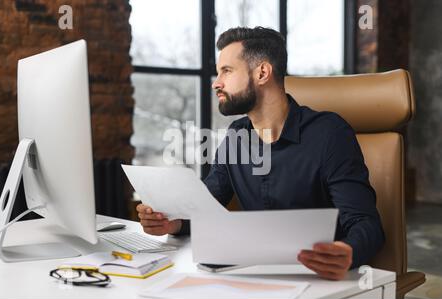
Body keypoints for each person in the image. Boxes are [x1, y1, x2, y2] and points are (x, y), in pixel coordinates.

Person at [136, 27, 385, 281]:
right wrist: (173, 223)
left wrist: (348, 251)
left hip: (320, 280)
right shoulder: (236, 135)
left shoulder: (329, 133)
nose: (216, 83)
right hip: (257, 277)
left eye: (227, 71)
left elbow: (366, 223)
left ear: (262, 73)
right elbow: (206, 206)